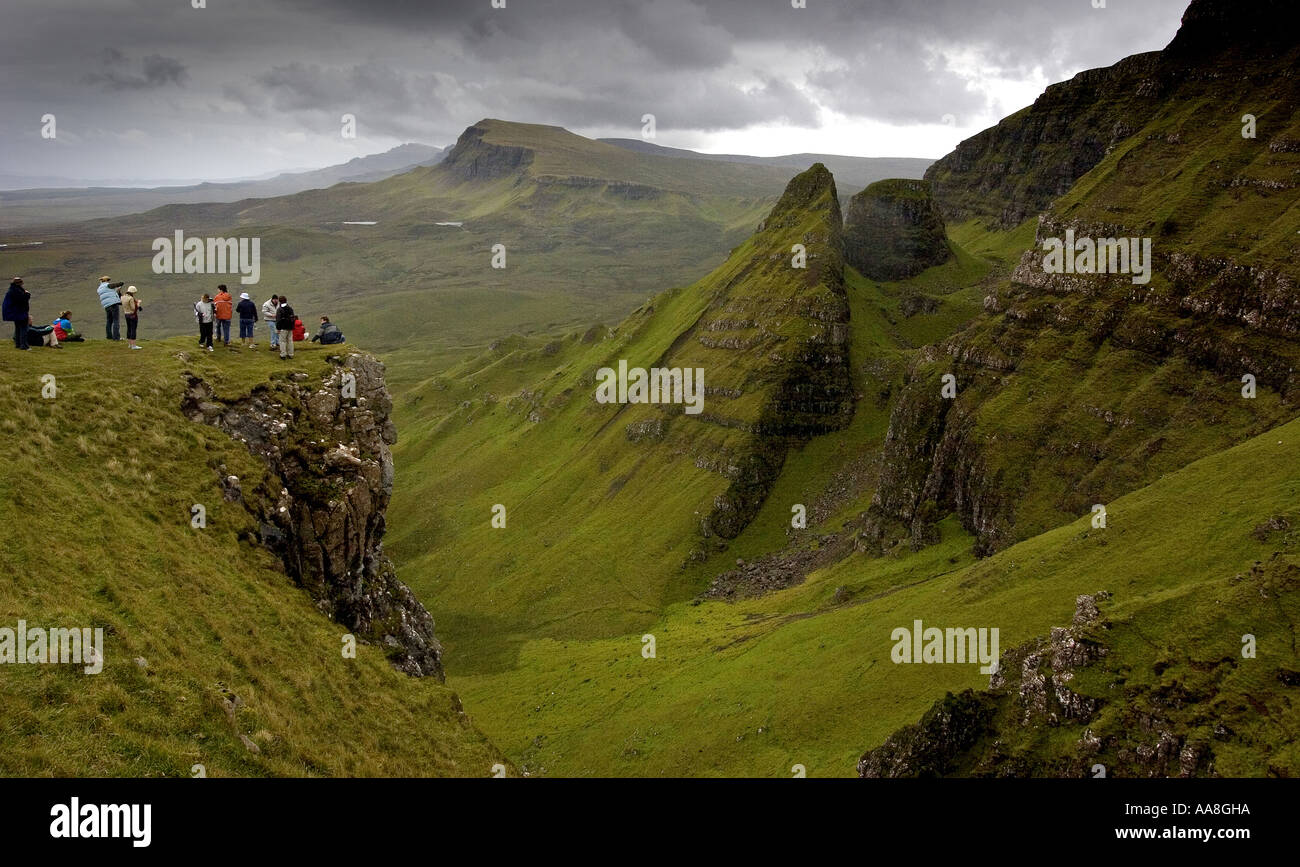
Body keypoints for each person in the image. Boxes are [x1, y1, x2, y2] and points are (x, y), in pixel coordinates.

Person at [4, 277, 31, 350]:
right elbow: (22, 300)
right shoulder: (17, 291)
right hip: (21, 313)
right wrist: (27, 294)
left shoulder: (12, 290)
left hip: (16, 314)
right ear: (19, 283)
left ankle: (18, 344)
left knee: (18, 328)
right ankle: (24, 345)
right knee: (23, 329)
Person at [97, 275, 125, 340]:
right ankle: (116, 337)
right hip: (113, 304)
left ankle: (109, 336)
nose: (109, 281)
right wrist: (121, 283)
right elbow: (115, 285)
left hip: (106, 305)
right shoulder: (107, 285)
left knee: (109, 320)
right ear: (106, 280)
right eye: (108, 280)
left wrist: (116, 290)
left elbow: (108, 294)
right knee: (116, 320)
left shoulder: (99, 288)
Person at [121, 286, 143, 350]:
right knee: (133, 329)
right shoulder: (131, 298)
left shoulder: (123, 297)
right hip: (132, 315)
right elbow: (133, 308)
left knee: (129, 328)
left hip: (126, 314)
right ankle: (134, 345)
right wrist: (138, 304)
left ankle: (130, 344)